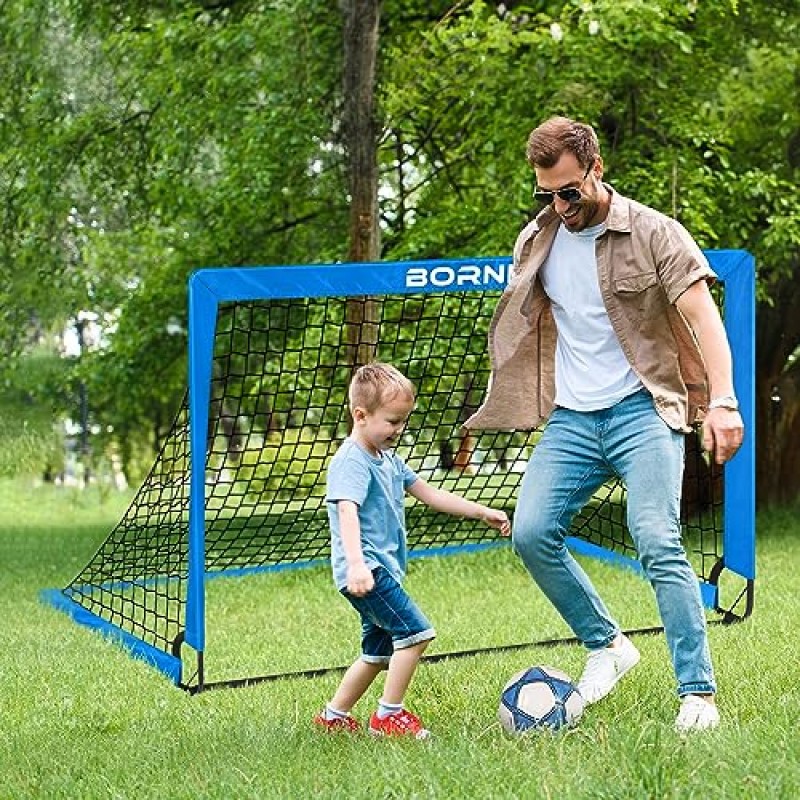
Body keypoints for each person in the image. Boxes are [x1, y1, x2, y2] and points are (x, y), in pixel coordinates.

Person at [465, 116, 744, 733]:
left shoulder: (653, 233)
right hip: (573, 417)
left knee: (655, 537)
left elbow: (704, 318)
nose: (559, 205)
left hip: (643, 410)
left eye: (569, 190)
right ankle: (609, 644)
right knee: (532, 532)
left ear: (595, 170)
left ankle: (697, 695)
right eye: (546, 193)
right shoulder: (534, 241)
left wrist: (721, 401)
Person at [315, 362, 511, 739]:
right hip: (368, 571)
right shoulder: (351, 462)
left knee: (377, 653)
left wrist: (481, 511)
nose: (399, 430)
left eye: (403, 421)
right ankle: (389, 717)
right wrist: (357, 565)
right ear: (360, 415)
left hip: (379, 570)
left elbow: (430, 494)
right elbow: (346, 513)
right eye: (392, 421)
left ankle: (334, 715)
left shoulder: (387, 458)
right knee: (417, 634)